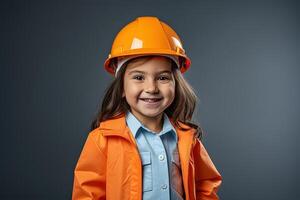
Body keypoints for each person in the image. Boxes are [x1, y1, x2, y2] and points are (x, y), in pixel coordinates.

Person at [72, 16, 222, 200]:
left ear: (176, 84)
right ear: (121, 88)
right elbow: (87, 194)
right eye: (138, 77)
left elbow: (206, 186)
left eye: (163, 78)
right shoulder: (102, 140)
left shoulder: (188, 139)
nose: (151, 88)